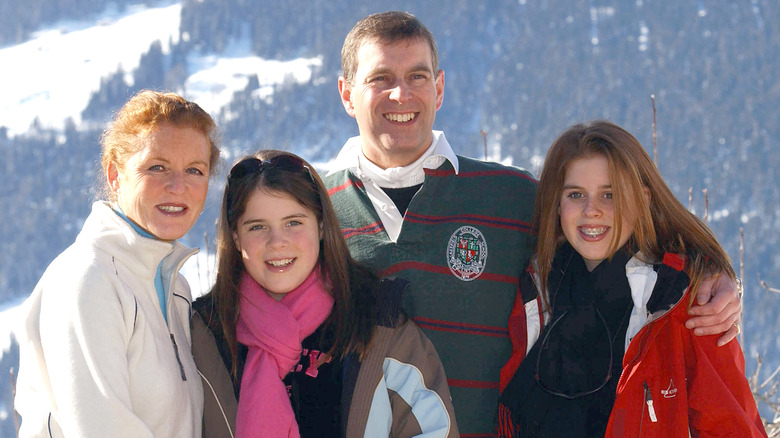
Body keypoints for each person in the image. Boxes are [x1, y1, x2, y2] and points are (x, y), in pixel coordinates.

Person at [323, 11, 744, 436]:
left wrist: (711, 273)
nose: (401, 94)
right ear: (346, 94)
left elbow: (617, 226)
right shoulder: (311, 213)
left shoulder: (511, 196)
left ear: (440, 88)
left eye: (417, 76)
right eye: (381, 78)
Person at [497, 120, 765, 437]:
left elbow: (733, 429)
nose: (591, 210)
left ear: (643, 200)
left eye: (609, 195)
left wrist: (710, 267)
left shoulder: (687, 305)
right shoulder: (531, 294)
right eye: (576, 194)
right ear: (557, 204)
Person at [191, 150, 458, 438]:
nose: (277, 242)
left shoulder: (378, 323)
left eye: (293, 222)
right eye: (257, 227)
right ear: (235, 237)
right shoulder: (203, 333)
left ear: (320, 225)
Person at [14, 90, 220, 437]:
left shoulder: (174, 287)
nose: (178, 186)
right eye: (157, 167)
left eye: (195, 170)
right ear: (114, 175)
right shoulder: (89, 278)